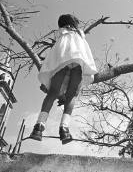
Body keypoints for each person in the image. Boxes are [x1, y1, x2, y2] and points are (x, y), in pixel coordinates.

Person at [30, 14, 97, 144]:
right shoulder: (80, 34)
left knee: (52, 93)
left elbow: (59, 47)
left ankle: (38, 127)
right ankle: (64, 129)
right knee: (72, 95)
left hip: (62, 58)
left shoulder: (61, 33)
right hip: (79, 59)